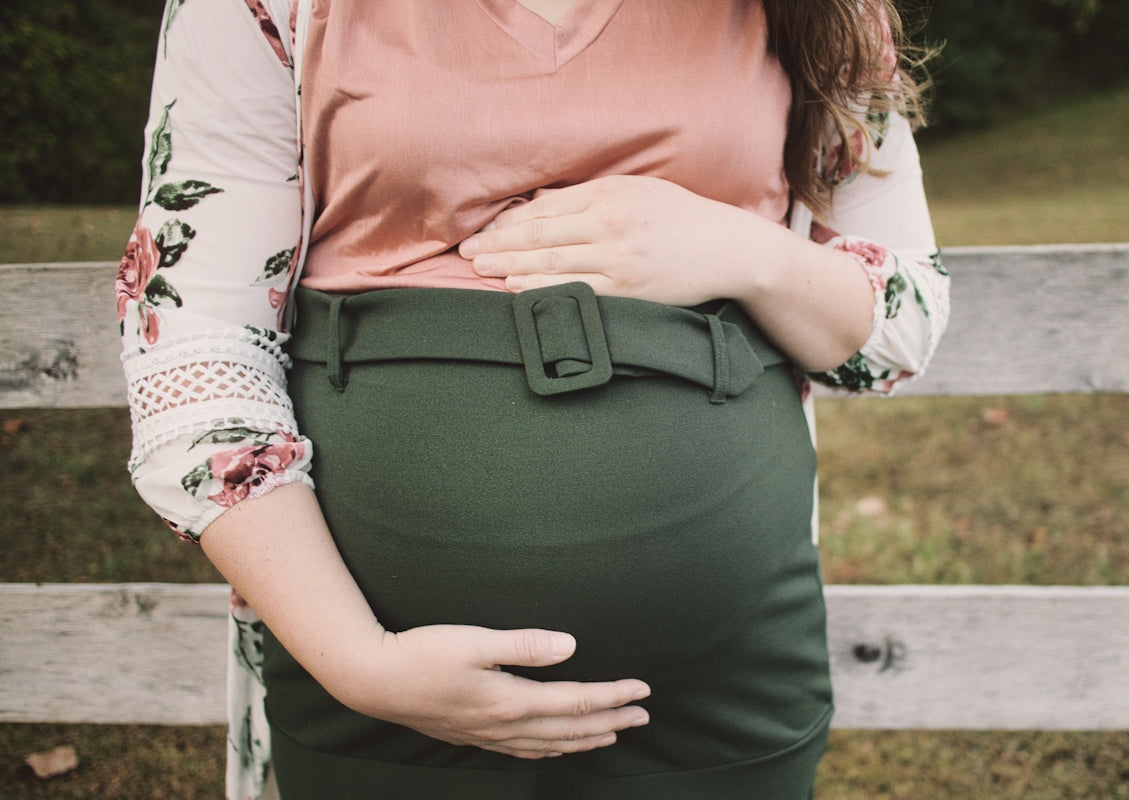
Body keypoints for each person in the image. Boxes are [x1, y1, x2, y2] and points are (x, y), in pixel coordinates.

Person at [118, 1, 948, 797]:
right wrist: (357, 660)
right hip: (375, 684)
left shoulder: (816, 10)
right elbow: (193, 340)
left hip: (725, 683)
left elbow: (898, 330)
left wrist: (745, 251)